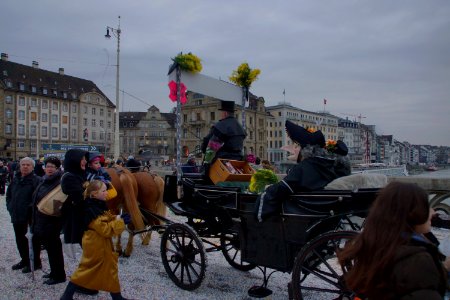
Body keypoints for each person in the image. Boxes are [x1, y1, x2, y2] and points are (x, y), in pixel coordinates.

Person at [338, 181, 449, 299]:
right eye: (426, 206)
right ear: (412, 213)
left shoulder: (375, 243)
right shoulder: (418, 259)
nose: (433, 212)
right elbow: (421, 286)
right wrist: (445, 268)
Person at [60, 180, 131, 300]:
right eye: (103, 191)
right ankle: (66, 296)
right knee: (86, 270)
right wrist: (121, 222)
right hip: (96, 244)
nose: (106, 193)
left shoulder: (97, 204)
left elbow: (106, 218)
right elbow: (105, 230)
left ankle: (117, 297)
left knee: (110, 269)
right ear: (94, 194)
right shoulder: (90, 209)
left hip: (101, 243)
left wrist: (118, 217)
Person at [255, 121, 337, 222]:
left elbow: (283, 187)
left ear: (304, 149)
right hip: (324, 212)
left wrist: (268, 190)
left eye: (297, 146)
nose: (294, 149)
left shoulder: (305, 166)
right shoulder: (323, 164)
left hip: (305, 215)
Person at [31, 156, 66, 285]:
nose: (49, 169)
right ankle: (53, 272)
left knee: (54, 250)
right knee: (51, 249)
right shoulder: (44, 180)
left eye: (53, 166)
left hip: (52, 222)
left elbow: (58, 204)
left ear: (58, 168)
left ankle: (59, 275)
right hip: (42, 221)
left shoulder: (59, 183)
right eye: (48, 166)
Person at [6, 157, 42, 273]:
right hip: (16, 214)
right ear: (20, 166)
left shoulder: (37, 180)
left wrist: (31, 210)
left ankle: (35, 262)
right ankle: (24, 260)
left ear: (32, 167)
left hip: (30, 216)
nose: (25, 167)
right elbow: (9, 195)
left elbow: (39, 198)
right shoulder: (16, 179)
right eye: (23, 164)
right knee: (20, 239)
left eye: (28, 165)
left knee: (32, 240)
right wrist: (10, 207)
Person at [61, 149, 88, 245]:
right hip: (77, 219)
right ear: (74, 161)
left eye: (85, 159)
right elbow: (81, 199)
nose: (85, 161)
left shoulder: (79, 174)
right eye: (82, 159)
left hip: (82, 217)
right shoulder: (69, 177)